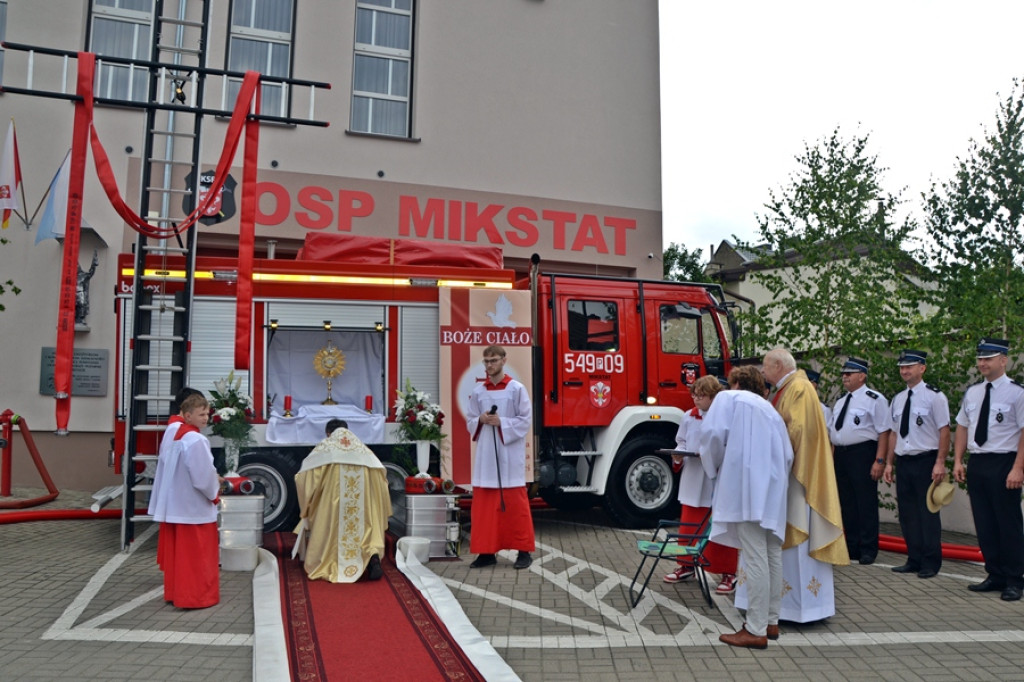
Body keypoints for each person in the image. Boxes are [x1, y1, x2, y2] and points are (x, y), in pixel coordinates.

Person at [748, 349, 847, 627]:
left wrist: (770, 460)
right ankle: (785, 607)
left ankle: (802, 609)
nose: (764, 374)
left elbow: (796, 432)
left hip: (797, 476)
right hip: (789, 473)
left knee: (798, 536)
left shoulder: (799, 389)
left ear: (778, 365)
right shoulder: (789, 387)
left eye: (766, 368)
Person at [699, 365, 793, 649]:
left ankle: (754, 628)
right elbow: (788, 454)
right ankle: (771, 621)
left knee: (754, 556)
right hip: (774, 488)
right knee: (770, 552)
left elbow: (712, 436)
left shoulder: (729, 399)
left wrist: (715, 470)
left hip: (746, 487)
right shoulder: (769, 410)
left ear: (736, 383)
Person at [953, 337, 1024, 601]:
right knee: (984, 522)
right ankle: (994, 574)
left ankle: (1015, 579)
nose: (982, 363)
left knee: (1008, 523)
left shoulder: (1017, 393)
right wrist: (959, 460)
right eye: (980, 359)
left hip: (1004, 462)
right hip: (979, 461)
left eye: (988, 358)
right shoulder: (973, 392)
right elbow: (962, 426)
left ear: (1003, 360)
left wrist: (1018, 469)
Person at [664, 375, 739, 594]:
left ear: (714, 397)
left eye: (701, 396)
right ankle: (686, 564)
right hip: (693, 476)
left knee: (719, 527)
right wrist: (678, 456)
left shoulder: (725, 417)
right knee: (689, 524)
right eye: (694, 395)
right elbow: (681, 441)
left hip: (715, 477)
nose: (696, 400)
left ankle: (728, 572)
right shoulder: (688, 416)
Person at [148, 393, 222, 608]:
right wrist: (214, 491)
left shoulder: (175, 432)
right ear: (188, 416)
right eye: (201, 414)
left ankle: (176, 593)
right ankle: (196, 597)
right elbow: (202, 476)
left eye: (207, 413)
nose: (206, 418)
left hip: (177, 503)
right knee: (196, 558)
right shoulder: (196, 439)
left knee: (180, 558)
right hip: (194, 508)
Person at [293, 422, 391, 582]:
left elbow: (305, 478)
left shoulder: (325, 448)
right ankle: (371, 556)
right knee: (365, 528)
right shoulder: (364, 451)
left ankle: (333, 562)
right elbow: (382, 480)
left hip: (333, 504)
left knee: (332, 531)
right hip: (363, 502)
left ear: (328, 433)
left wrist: (308, 504)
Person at [466, 344, 535, 569]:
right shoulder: (478, 391)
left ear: (504, 360)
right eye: (486, 361)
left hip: (509, 456)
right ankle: (486, 553)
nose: (489, 365)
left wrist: (502, 422)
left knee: (515, 506)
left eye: (494, 360)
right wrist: (480, 420)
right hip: (486, 456)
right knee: (485, 508)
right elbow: (470, 420)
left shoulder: (516, 389)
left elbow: (525, 420)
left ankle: (523, 551)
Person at [884, 350, 950, 579]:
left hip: (926, 460)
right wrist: (889, 463)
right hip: (904, 460)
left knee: (927, 513)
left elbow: (944, 431)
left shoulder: (934, 397)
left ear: (922, 368)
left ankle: (930, 563)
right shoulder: (898, 399)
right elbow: (894, 434)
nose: (904, 371)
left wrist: (940, 462)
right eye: (902, 367)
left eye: (909, 367)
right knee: (908, 513)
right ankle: (914, 558)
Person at [828, 356, 890, 565]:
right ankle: (852, 546)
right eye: (843, 374)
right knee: (847, 502)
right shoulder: (840, 402)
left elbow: (883, 432)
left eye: (849, 373)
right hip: (842, 455)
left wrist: (879, 460)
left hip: (863, 453)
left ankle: (868, 549)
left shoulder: (875, 399)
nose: (844, 377)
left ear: (862, 376)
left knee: (865, 502)